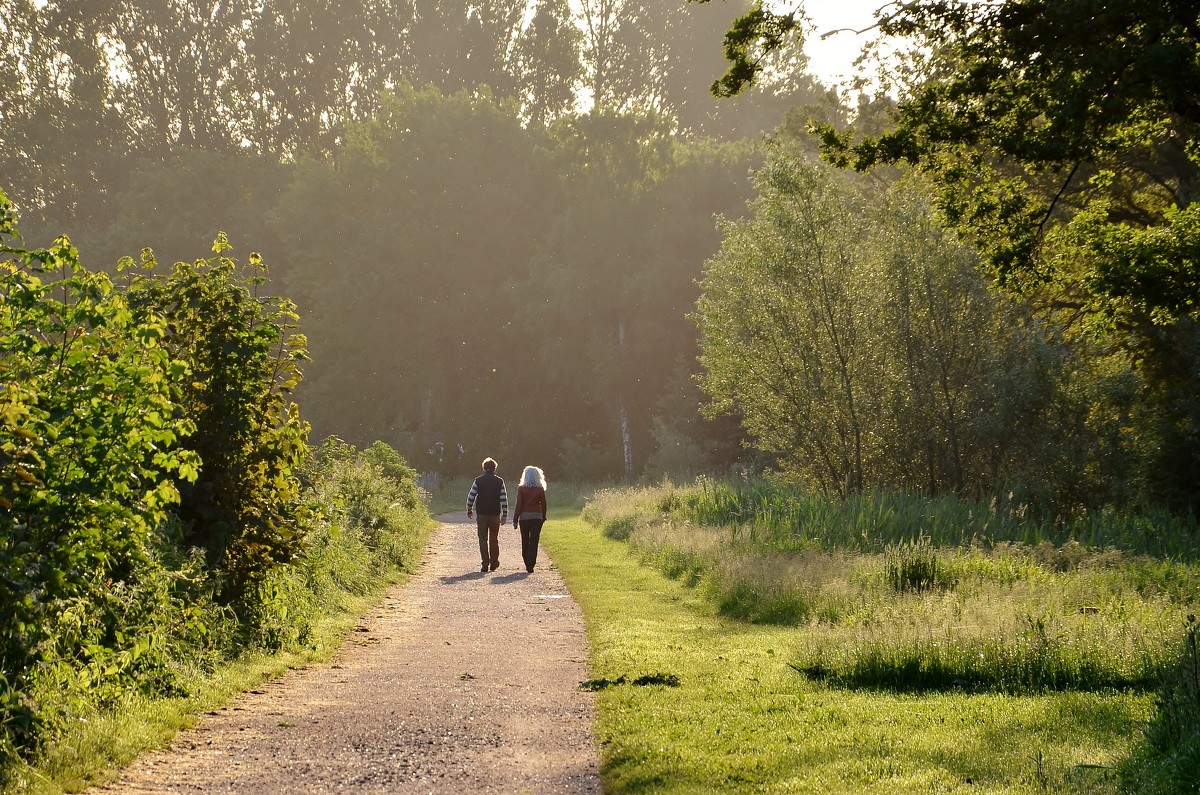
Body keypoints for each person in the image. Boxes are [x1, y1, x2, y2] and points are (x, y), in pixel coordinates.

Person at [466, 457, 508, 572]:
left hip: (482, 514)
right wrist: (504, 514)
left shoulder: (478, 481)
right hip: (494, 514)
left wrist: (469, 509)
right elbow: (503, 499)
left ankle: (485, 563)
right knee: (494, 539)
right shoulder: (499, 481)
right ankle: (494, 562)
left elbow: (471, 496)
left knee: (482, 539)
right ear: (495, 468)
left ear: (484, 468)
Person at [512, 466, 547, 573]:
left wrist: (515, 519)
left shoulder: (521, 489)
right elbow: (544, 504)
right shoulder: (540, 489)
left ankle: (527, 561)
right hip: (537, 516)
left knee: (525, 539)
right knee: (534, 540)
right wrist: (544, 515)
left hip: (524, 517)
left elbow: (519, 505)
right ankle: (531, 563)